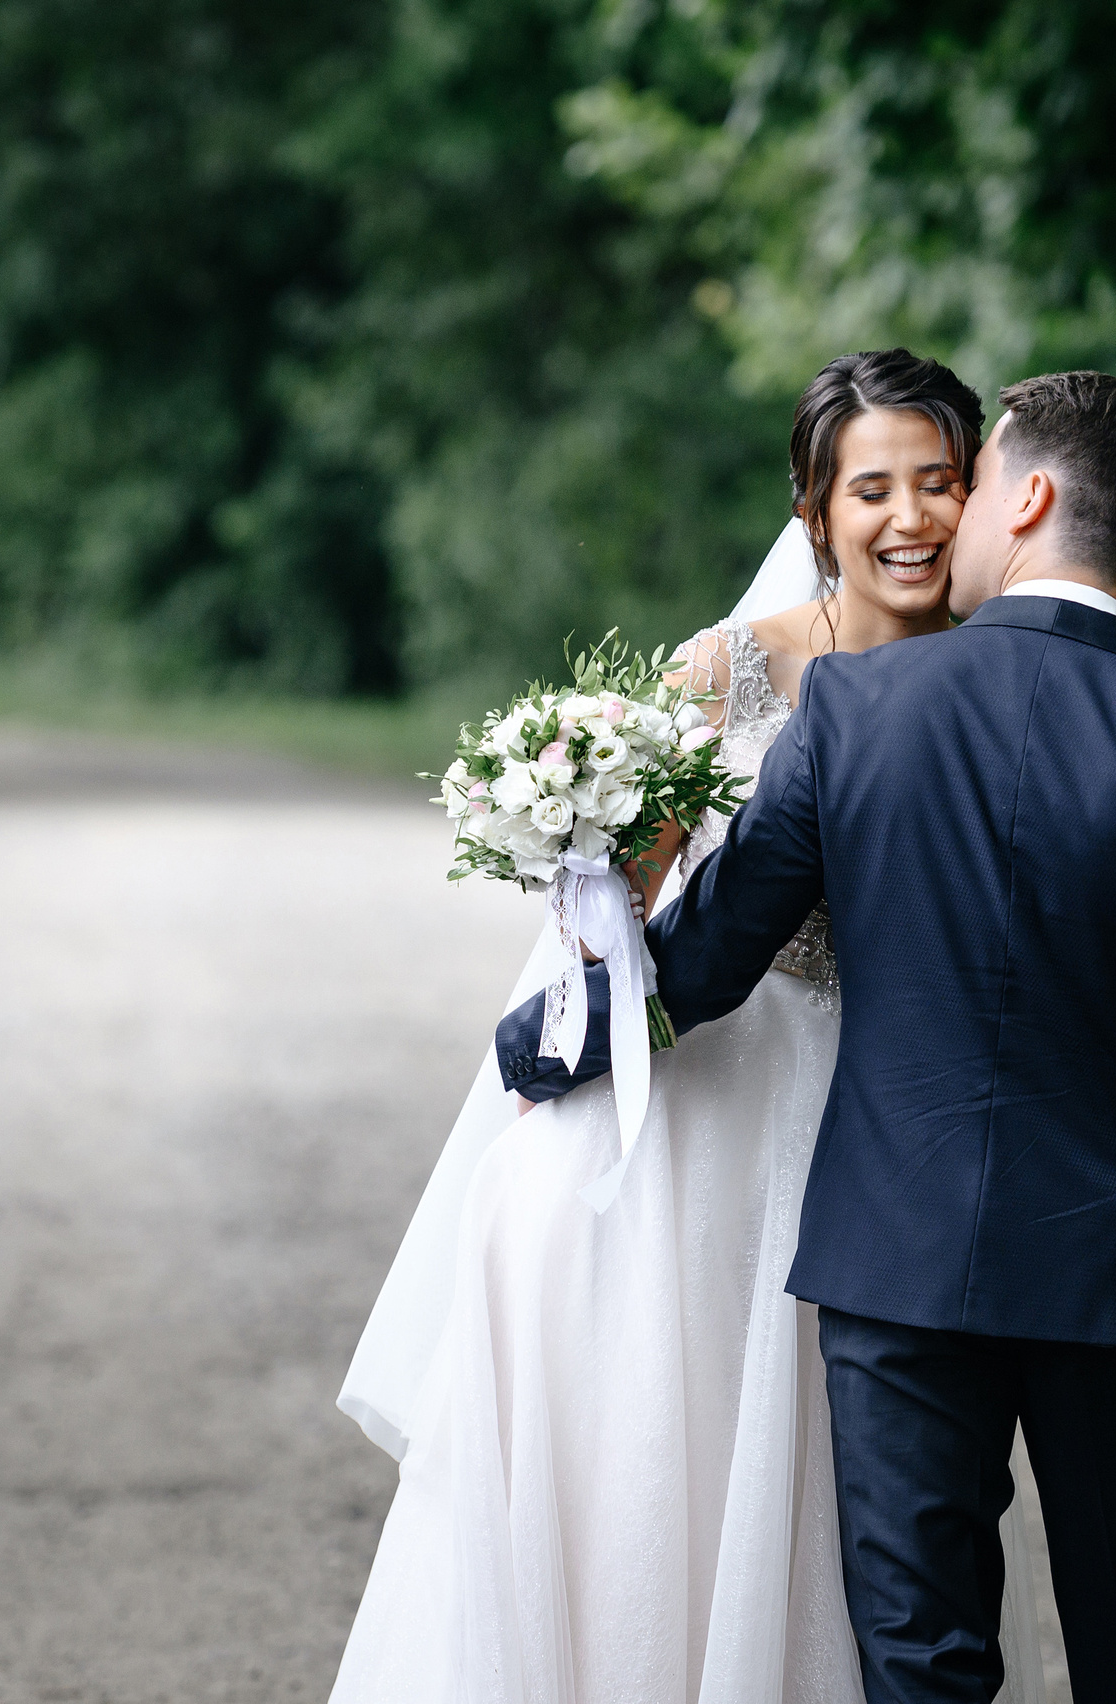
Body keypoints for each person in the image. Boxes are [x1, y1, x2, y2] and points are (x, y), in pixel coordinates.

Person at [501, 371, 1116, 1703]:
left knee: (922, 1661)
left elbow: (710, 964)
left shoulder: (854, 714)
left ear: (1027, 497)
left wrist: (551, 1009)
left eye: (972, 476)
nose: (941, 518)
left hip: (897, 1264)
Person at [328, 349, 1054, 1704]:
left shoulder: (1013, 675)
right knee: (669, 1437)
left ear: (991, 495)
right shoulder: (729, 674)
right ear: (814, 514)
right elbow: (621, 916)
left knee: (854, 1474)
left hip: (886, 1103)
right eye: (872, 489)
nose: (909, 519)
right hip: (715, 1095)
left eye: (940, 483)